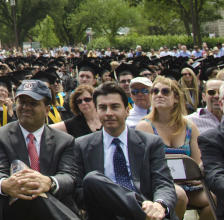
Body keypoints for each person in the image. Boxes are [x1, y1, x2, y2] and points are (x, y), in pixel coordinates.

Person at [72, 82, 177, 220]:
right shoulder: (81, 145)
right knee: (92, 180)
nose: (109, 113)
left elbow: (163, 183)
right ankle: (140, 213)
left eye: (115, 107)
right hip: (107, 214)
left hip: (149, 209)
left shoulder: (150, 143)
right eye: (103, 108)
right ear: (97, 111)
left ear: (127, 110)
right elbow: (79, 192)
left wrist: (159, 205)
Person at [0, 79, 79, 220]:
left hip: (54, 206)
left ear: (47, 109)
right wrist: (6, 185)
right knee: (30, 188)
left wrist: (48, 182)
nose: (26, 107)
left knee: (36, 189)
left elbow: (68, 177)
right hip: (15, 207)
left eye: (33, 103)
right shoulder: (0, 136)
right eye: (22, 102)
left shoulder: (65, 141)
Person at [135, 76, 213, 220]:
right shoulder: (144, 126)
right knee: (178, 195)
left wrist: (195, 176)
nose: (159, 95)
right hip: (159, 185)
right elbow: (142, 167)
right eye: (155, 91)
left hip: (189, 184)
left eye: (165, 91)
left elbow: (198, 162)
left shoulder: (189, 126)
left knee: (216, 198)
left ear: (176, 98)